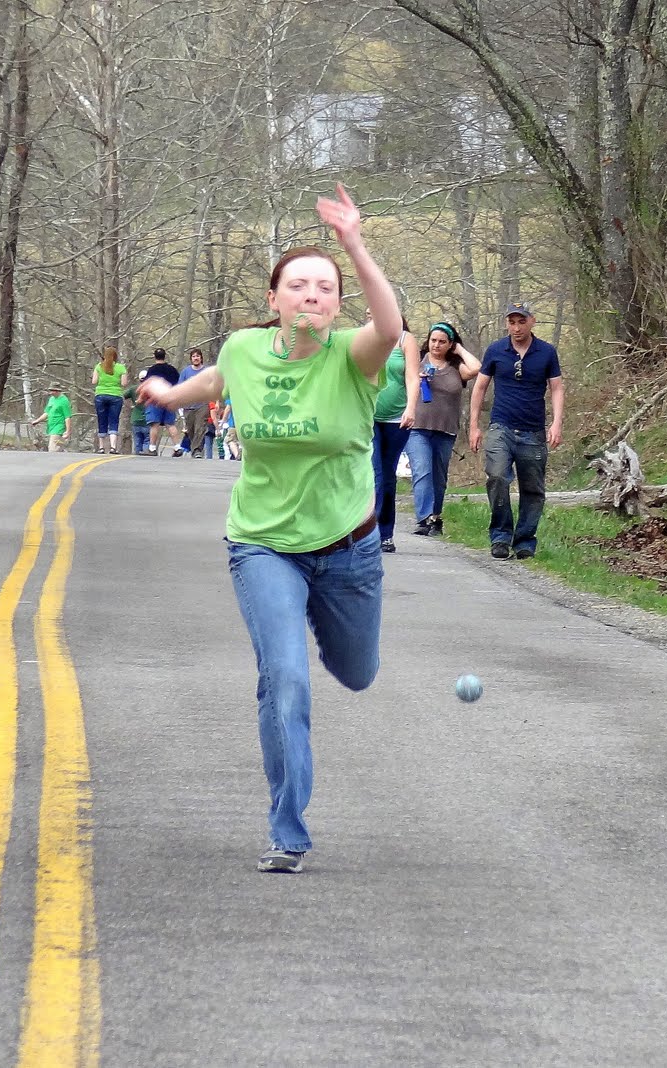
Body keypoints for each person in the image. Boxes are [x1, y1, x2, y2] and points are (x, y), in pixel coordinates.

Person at [138, 184, 401, 876]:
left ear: (337, 305)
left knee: (356, 671)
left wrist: (355, 246)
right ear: (274, 300)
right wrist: (170, 394)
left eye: (324, 288)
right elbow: (221, 380)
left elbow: (393, 326)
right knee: (284, 678)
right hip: (263, 544)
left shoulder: (356, 356)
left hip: (348, 548)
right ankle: (289, 830)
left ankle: (332, 628)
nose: (311, 295)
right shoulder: (246, 350)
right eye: (298, 286)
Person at [468, 301, 564, 559]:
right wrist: (474, 426)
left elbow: (556, 388)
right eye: (512, 322)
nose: (517, 327)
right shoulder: (496, 350)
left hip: (533, 431)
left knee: (532, 488)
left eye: (522, 321)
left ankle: (524, 541)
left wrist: (556, 423)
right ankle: (500, 536)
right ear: (506, 324)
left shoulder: (546, 352)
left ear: (532, 321)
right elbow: (480, 387)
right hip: (501, 427)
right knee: (497, 477)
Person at [404, 321, 480, 536]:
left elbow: (476, 368)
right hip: (418, 427)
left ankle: (434, 517)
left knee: (439, 476)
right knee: (422, 470)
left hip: (446, 430)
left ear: (450, 344)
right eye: (433, 340)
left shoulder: (457, 368)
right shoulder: (416, 363)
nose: (436, 345)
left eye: (442, 342)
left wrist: (460, 350)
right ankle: (423, 517)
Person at [370, 314, 420, 552]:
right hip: (368, 416)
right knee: (375, 472)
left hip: (396, 418)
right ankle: (367, 532)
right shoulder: (365, 338)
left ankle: (385, 533)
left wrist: (411, 408)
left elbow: (412, 376)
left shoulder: (404, 340)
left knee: (387, 476)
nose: (372, 314)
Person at [140, 348, 180, 455]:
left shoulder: (152, 370)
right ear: (164, 356)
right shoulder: (172, 370)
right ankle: (177, 447)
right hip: (169, 399)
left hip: (155, 400)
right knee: (170, 424)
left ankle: (152, 449)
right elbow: (178, 384)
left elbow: (148, 386)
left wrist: (143, 399)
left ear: (155, 357)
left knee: (154, 424)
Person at [90, 347, 127, 454]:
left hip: (100, 395)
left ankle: (101, 447)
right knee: (114, 420)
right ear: (116, 356)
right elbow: (124, 383)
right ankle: (113, 447)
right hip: (115, 396)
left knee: (102, 420)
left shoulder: (99, 366)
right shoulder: (121, 368)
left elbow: (94, 381)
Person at [178, 348, 211, 459]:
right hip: (188, 405)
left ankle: (197, 451)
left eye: (198, 356)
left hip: (202, 404)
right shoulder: (186, 372)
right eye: (193, 356)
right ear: (191, 359)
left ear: (201, 358)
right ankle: (194, 449)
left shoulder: (206, 371)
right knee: (191, 430)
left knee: (200, 428)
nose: (196, 358)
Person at [30, 382, 73, 451]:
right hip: (51, 428)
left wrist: (68, 431)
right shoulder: (52, 399)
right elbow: (47, 413)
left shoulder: (64, 401)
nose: (51, 392)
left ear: (57, 391)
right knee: (55, 448)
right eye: (50, 390)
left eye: (52, 390)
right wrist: (37, 421)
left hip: (59, 428)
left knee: (53, 449)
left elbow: (67, 417)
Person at [124, 381, 150, 455]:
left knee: (137, 440)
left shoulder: (134, 389)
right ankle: (146, 454)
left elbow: (123, 396)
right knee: (147, 440)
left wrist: (130, 405)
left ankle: (138, 456)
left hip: (136, 418)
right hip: (148, 418)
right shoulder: (152, 389)